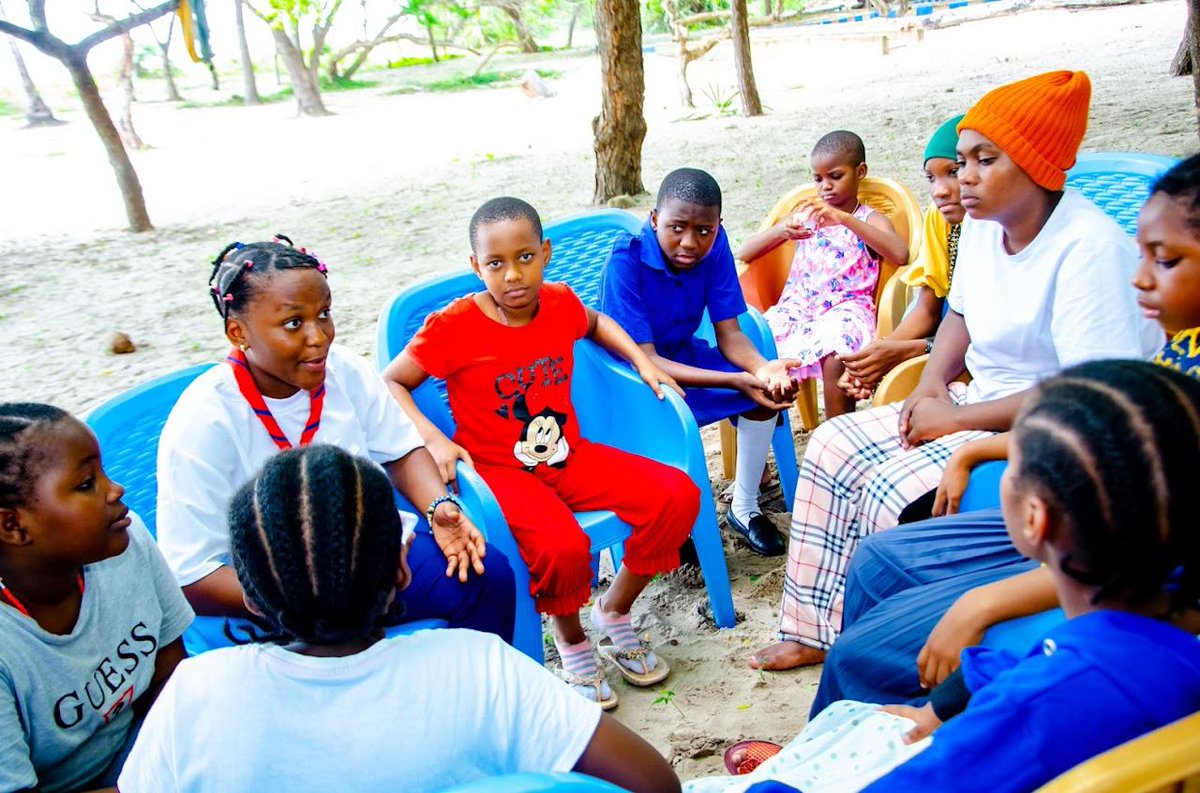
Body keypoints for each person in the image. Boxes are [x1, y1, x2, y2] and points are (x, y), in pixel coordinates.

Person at [751, 70, 1163, 672]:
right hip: (974, 398)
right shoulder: (980, 229)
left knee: (884, 487)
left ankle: (884, 646)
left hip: (1047, 423)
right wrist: (928, 386)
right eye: (962, 160)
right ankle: (813, 629)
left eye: (983, 160)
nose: (964, 176)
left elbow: (1087, 396)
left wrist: (955, 420)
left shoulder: (1088, 251)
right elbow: (958, 319)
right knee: (832, 443)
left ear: (1038, 167)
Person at [811, 150, 1200, 714]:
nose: (1137, 277)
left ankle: (904, 731)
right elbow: (1103, 434)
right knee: (876, 561)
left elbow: (1147, 560)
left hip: (1124, 581)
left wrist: (985, 603)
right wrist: (976, 449)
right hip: (1085, 533)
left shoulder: (1089, 250)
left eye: (1163, 260)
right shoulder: (1181, 349)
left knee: (860, 657)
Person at [697, 361, 1200, 793]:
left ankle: (790, 766)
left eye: (1013, 460)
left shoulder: (1028, 713)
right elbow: (1043, 660)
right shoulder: (1169, 623)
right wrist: (942, 705)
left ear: (1034, 519)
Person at [118, 444, 682, 792]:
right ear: (404, 571)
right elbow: (656, 783)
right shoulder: (480, 669)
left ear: (253, 599)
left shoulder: (194, 695)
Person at [382, 198, 700, 709]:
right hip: (500, 473)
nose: (513, 275)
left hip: (571, 456)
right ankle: (572, 641)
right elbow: (392, 381)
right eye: (496, 263)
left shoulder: (557, 302)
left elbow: (595, 323)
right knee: (562, 546)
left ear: (545, 253)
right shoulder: (454, 324)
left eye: (525, 257)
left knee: (677, 495)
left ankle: (614, 610)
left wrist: (643, 362)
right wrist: (433, 438)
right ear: (476, 266)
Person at [155, 236, 516, 650]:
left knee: (486, 577)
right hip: (273, 596)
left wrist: (437, 507)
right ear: (239, 332)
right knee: (332, 649)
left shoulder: (344, 371)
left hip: (373, 565)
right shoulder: (204, 421)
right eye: (294, 323)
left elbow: (400, 449)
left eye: (324, 314)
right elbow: (191, 578)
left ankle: (476, 689)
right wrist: (310, 596)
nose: (319, 337)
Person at [600, 168, 799, 558]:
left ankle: (744, 507)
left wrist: (761, 370)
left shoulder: (716, 245)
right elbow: (646, 360)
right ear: (654, 219)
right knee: (694, 411)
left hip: (682, 355)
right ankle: (676, 522)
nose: (690, 242)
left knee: (763, 394)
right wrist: (734, 380)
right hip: (630, 378)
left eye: (704, 231)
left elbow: (731, 334)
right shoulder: (625, 260)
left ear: (717, 226)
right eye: (676, 228)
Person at [0, 404, 192, 792]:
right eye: (87, 483)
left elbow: (171, 676)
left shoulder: (127, 541)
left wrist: (188, 757)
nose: (115, 489)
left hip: (143, 754)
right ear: (12, 525)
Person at [739, 130, 909, 418]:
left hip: (846, 309)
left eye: (835, 176)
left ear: (860, 172)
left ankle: (838, 428)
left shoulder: (869, 219)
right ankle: (766, 429)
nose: (825, 187)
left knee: (838, 352)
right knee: (757, 342)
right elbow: (745, 252)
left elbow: (900, 253)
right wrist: (781, 231)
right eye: (817, 179)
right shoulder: (807, 217)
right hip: (798, 309)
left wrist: (845, 219)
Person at [839, 115, 966, 402]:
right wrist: (876, 355)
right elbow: (928, 309)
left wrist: (910, 350)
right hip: (943, 337)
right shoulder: (940, 219)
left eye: (954, 171)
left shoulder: (1002, 229)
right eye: (931, 178)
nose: (939, 191)